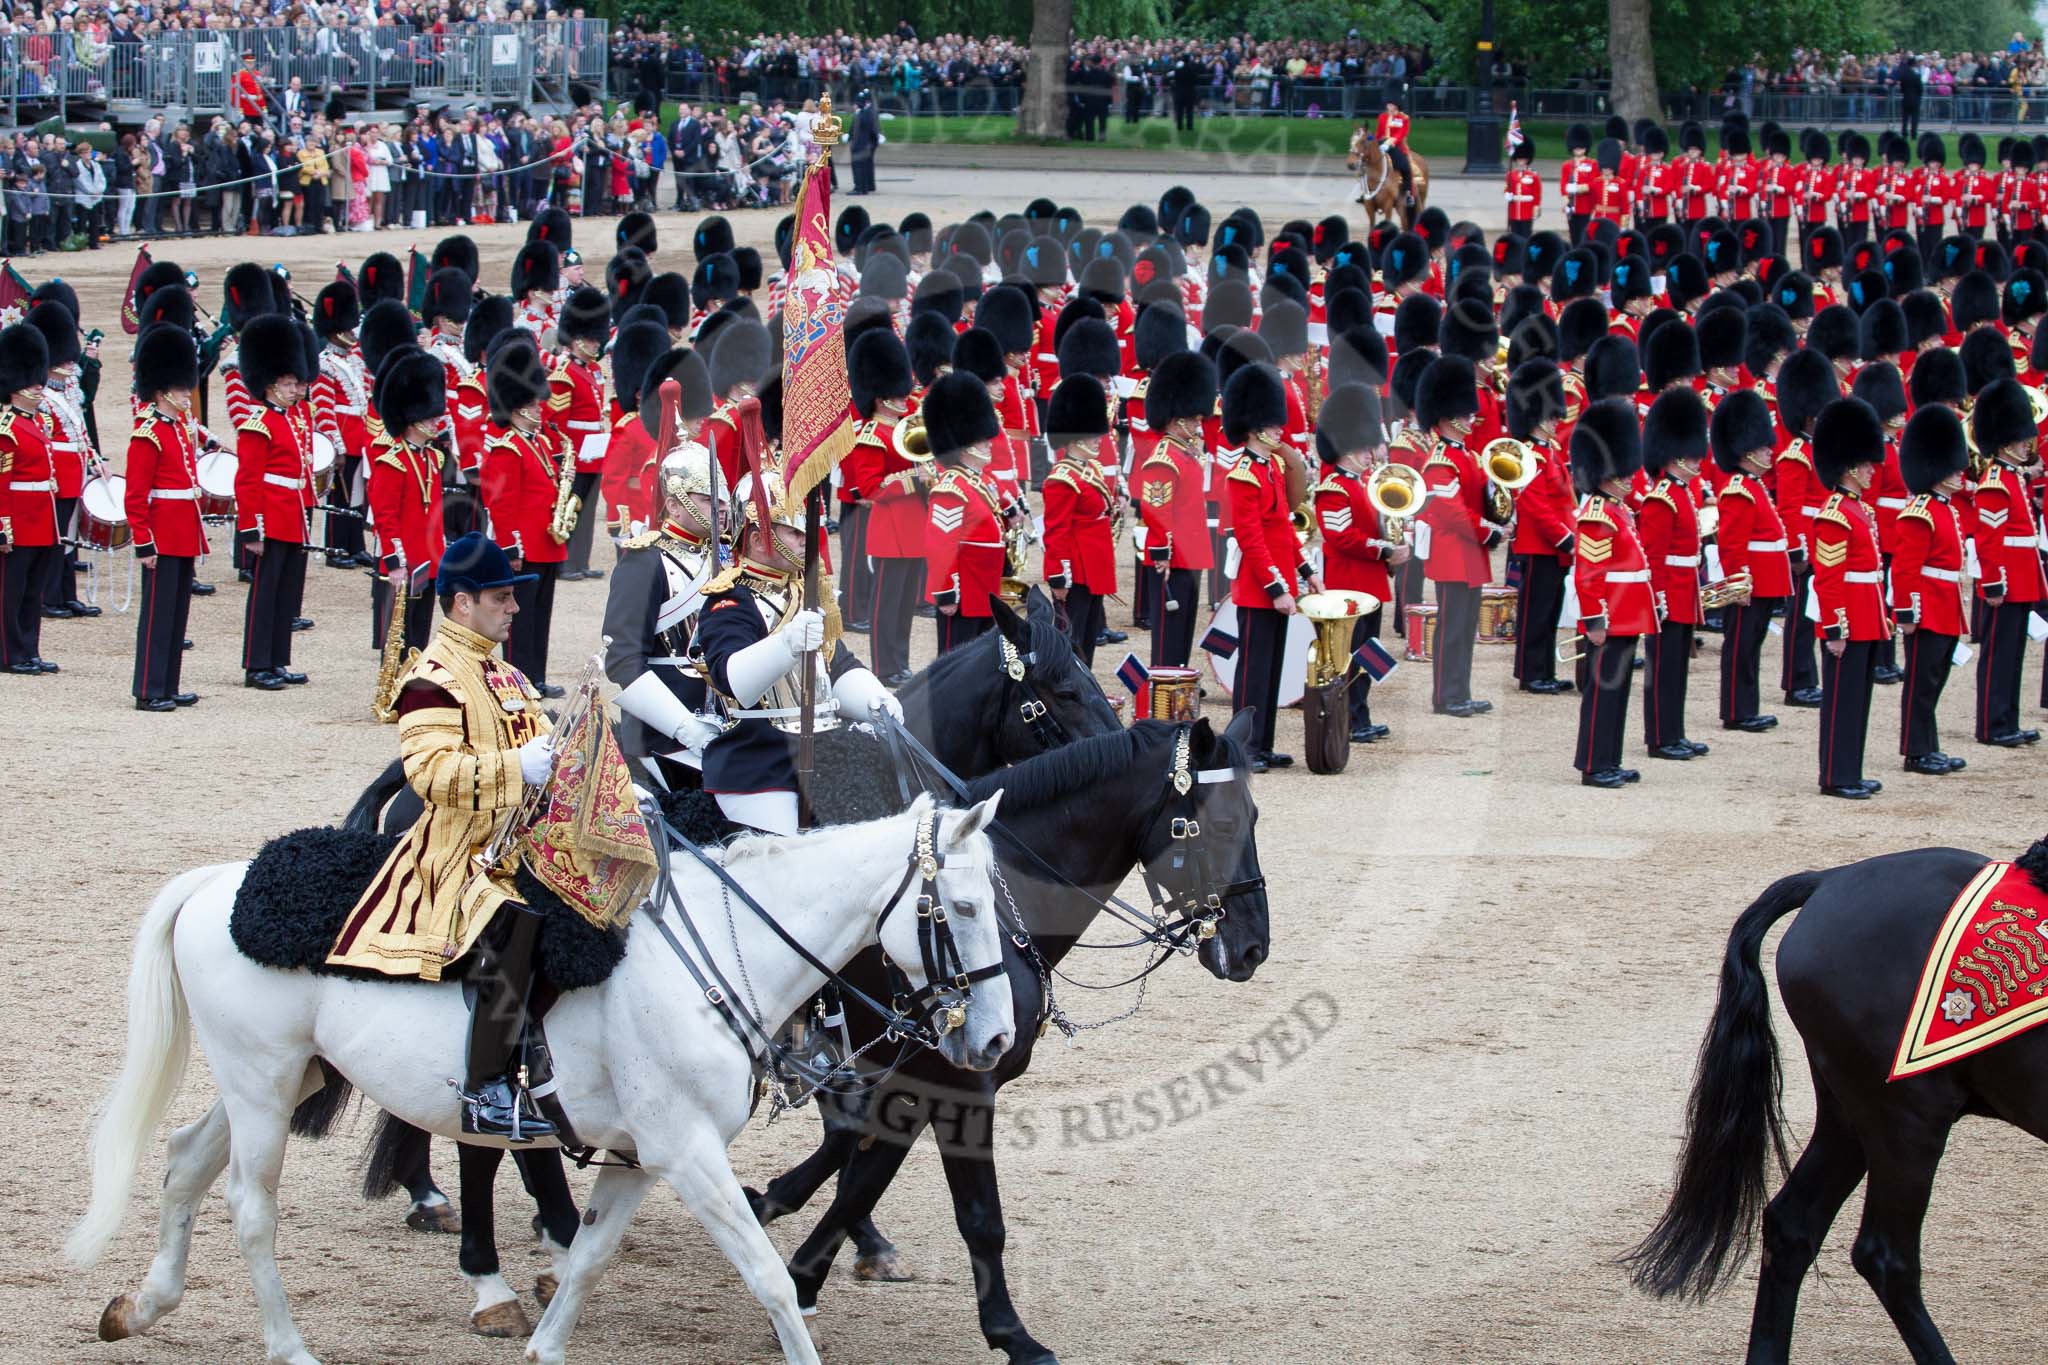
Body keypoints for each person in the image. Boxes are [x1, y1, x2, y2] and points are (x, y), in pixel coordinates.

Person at [327, 530, 558, 1141]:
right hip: (458, 851)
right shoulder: (432, 678)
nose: (513, 609)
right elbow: (429, 775)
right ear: (462, 603)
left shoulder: (501, 672)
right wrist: (517, 768)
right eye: (501, 598)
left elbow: (550, 740)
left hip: (518, 836)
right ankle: (485, 1087)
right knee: (512, 923)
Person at [694, 456, 899, 835]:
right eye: (795, 534)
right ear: (757, 538)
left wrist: (875, 701)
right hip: (760, 760)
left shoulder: (806, 593)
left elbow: (837, 663)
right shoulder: (732, 600)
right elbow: (731, 679)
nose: (807, 542)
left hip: (823, 750)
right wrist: (786, 643)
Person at [603, 437, 726, 793]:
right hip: (664, 732)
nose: (719, 507)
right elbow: (624, 660)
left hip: (724, 722)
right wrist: (683, 726)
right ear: (673, 504)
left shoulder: (725, 555)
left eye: (720, 497)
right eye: (707, 498)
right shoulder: (644, 561)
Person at [1223, 362, 1314, 770]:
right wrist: (1277, 587)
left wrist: (1307, 571)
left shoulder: (1273, 467)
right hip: (1259, 586)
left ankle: (1263, 743)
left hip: (1279, 582)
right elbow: (1251, 539)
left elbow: (1281, 529)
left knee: (1272, 670)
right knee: (1253, 673)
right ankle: (1241, 747)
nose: (1281, 430)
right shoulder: (1242, 475)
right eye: (1274, 425)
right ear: (1255, 427)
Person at [1569, 400, 1654, 788]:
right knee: (1603, 693)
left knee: (1616, 693)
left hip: (1627, 614)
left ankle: (1609, 759)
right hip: (1611, 616)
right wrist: (1595, 620)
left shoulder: (1618, 510)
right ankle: (1593, 764)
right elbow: (1590, 576)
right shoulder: (1598, 515)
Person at [1807, 397, 1890, 798]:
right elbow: (1828, 578)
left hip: (1867, 615)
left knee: (1858, 700)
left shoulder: (1858, 509)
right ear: (1852, 467)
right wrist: (1835, 627)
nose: (1874, 470)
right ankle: (1837, 776)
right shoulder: (1835, 514)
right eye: (1869, 465)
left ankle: (1851, 770)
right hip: (1849, 619)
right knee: (1842, 702)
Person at [482, 334, 571, 697]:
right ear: (518, 408)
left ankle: (536, 676)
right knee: (520, 619)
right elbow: (501, 504)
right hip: (526, 546)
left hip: (548, 541)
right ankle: (519, 680)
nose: (540, 410)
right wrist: (510, 549)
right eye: (534, 405)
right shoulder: (507, 448)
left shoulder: (540, 443)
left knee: (541, 617)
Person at [1312, 382, 1399, 743]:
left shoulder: (1362, 484)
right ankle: (1348, 717)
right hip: (1350, 583)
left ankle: (1360, 715)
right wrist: (1384, 550)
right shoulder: (1334, 487)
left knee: (1367, 651)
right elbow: (1341, 537)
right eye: (1364, 448)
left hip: (1369, 581)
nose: (1371, 454)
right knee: (1351, 654)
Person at [233, 314, 315, 691]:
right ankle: (256, 663)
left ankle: (278, 659)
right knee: (266, 593)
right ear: (270, 385)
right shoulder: (258, 423)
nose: (294, 389)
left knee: (285, 593)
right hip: (271, 518)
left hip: (292, 515)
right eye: (287, 383)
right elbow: (248, 480)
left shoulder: (292, 421)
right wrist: (251, 529)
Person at [125, 325, 205, 711]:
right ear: (160, 392)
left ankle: (168, 684)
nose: (185, 394)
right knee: (157, 617)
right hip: (161, 535)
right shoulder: (148, 434)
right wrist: (144, 542)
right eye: (178, 389)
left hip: (183, 532)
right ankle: (148, 688)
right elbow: (136, 496)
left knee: (176, 615)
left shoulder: (177, 429)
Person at [1415, 354, 1498, 717]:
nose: (1470, 419)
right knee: (1451, 628)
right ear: (1447, 418)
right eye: (1464, 415)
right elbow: (1449, 512)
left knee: (1466, 629)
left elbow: (1478, 498)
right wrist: (1488, 530)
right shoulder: (1441, 459)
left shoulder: (1467, 455)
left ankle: (1460, 690)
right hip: (1453, 553)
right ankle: (1446, 696)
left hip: (1470, 552)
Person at [1707, 389, 1792, 734]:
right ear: (1745, 451)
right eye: (1762, 447)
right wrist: (1738, 585)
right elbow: (1732, 544)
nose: (1769, 451)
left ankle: (1747, 707)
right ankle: (1736, 710)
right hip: (1750, 581)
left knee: (1751, 645)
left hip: (1765, 579)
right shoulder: (1738, 489)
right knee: (1741, 647)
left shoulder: (1753, 485)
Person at [1891, 404, 1969, 776]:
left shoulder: (1946, 510)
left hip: (1946, 604)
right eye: (1953, 465)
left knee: (1935, 680)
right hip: (1927, 608)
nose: (1960, 471)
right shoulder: (1919, 512)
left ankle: (1929, 745)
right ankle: (1915, 751)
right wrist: (1907, 613)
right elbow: (1905, 569)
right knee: (1921, 684)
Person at [1967, 377, 2044, 747]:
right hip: (2007, 579)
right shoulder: (1996, 480)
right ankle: (1991, 725)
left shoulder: (2013, 478)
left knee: (2013, 655)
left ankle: (2007, 720)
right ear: (2006, 440)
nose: (2027, 442)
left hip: (2022, 575)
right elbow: (1990, 540)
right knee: (1999, 655)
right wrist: (1994, 583)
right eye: (2021, 437)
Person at [1636, 387, 1710, 761]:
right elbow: (1654, 557)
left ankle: (1675, 732)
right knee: (1663, 671)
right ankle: (1660, 738)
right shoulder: (1662, 497)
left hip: (1685, 590)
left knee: (1677, 670)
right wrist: (1659, 599)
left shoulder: (1683, 492)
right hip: (1669, 594)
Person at [1137, 350, 1218, 669]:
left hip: (1190, 555)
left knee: (1182, 634)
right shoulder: (1163, 459)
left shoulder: (1184, 454)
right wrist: (1161, 556)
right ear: (1176, 418)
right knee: (1167, 642)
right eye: (1195, 420)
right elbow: (1156, 512)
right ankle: (1164, 699)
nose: (1199, 426)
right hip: (1172, 559)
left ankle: (1178, 690)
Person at [367, 347, 449, 656]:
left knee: (419, 635)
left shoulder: (432, 458)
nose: (435, 421)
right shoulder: (393, 462)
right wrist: (394, 563)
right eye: (429, 417)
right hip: (406, 560)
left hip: (428, 560)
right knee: (399, 638)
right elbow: (385, 517)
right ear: (412, 420)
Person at [851, 328, 922, 684]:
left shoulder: (906, 425)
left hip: (913, 528)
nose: (904, 398)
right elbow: (869, 489)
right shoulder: (871, 435)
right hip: (890, 529)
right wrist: (912, 481)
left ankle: (902, 662)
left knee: (906, 602)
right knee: (887, 603)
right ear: (881, 398)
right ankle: (884, 666)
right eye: (897, 394)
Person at [923, 371, 1007, 654]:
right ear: (965, 443)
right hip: (963, 594)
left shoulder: (976, 482)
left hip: (984, 589)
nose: (988, 443)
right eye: (982, 439)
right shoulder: (951, 487)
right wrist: (947, 592)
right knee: (954, 660)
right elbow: (940, 547)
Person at [1505, 358, 1574, 694]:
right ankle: (1530, 672)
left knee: (1550, 611)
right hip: (1539, 544)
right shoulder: (1531, 453)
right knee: (1535, 613)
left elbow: (1563, 501)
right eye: (1549, 415)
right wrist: (1564, 538)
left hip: (1554, 545)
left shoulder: (1550, 451)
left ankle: (1544, 669)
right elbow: (1535, 505)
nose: (1555, 420)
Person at [1042, 373, 1120, 666]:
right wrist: (1059, 576)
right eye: (1092, 434)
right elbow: (1056, 533)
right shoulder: (1061, 479)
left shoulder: (1092, 470)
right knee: (1071, 644)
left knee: (1087, 642)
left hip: (1095, 565)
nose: (1098, 439)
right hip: (1077, 570)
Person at [545, 286, 612, 580]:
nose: (595, 344)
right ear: (575, 339)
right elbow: (556, 422)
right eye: (589, 339)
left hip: (594, 451)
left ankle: (580, 560)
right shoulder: (564, 374)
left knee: (586, 510)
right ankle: (564, 561)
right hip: (575, 453)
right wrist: (562, 459)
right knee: (569, 507)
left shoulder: (593, 370)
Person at [0, 323, 56, 674]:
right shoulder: (7, 429)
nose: (40, 385)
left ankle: (29, 649)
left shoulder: (37, 423)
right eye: (33, 379)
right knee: (10, 592)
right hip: (18, 521)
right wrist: (3, 526)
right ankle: (9, 654)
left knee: (33, 592)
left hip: (40, 519)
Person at [310, 281, 369, 570]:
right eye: (346, 329)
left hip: (360, 435)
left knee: (356, 496)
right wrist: (336, 447)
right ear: (335, 331)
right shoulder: (325, 364)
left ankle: (355, 544)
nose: (351, 334)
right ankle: (336, 547)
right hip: (343, 437)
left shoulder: (354, 362)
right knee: (339, 497)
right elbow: (323, 411)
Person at [1505, 133, 1540, 238]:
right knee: (1514, 236)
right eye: (1519, 159)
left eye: (1523, 159)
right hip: (1514, 211)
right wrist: (1507, 194)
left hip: (1527, 212)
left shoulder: (1533, 175)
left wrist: (1536, 207)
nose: (1521, 161)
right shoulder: (1511, 174)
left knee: (1526, 236)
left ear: (1528, 159)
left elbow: (1536, 193)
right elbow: (1507, 188)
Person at [849, 88, 879, 195]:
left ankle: (860, 187)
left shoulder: (862, 114)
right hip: (867, 142)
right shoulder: (868, 112)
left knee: (859, 165)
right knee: (866, 165)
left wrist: (849, 138)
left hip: (862, 143)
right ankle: (866, 186)